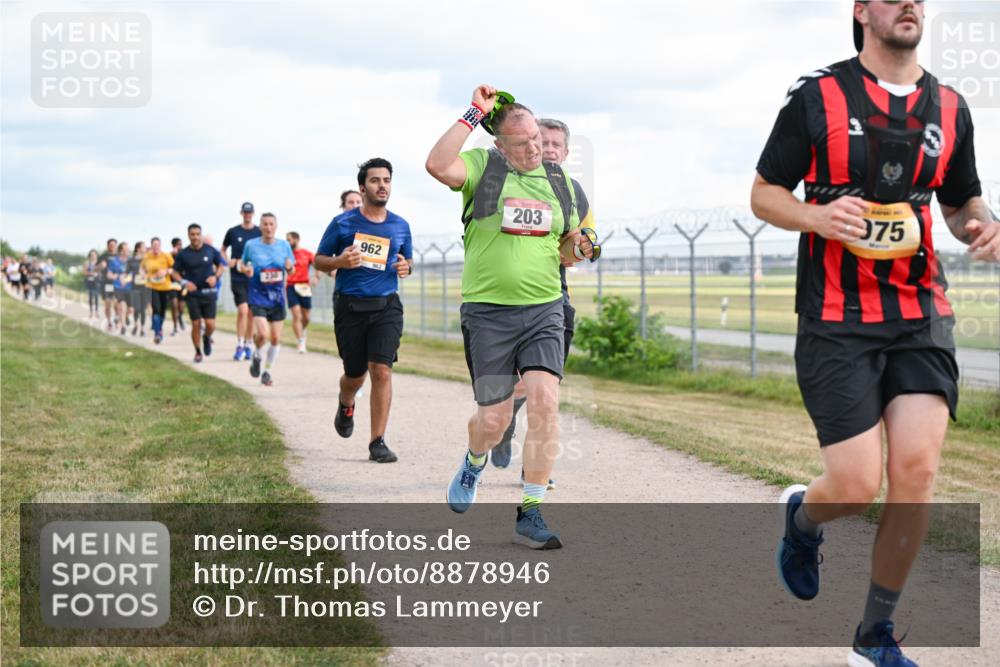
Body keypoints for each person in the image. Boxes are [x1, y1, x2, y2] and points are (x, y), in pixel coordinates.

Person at [750, 3, 999, 665]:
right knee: (857, 484)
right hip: (835, 319)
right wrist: (816, 215)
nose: (909, 3)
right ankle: (804, 519)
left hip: (920, 311)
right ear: (862, 11)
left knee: (916, 471)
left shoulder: (950, 106)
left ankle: (873, 637)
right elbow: (764, 192)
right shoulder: (817, 96)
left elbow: (959, 201)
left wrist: (985, 223)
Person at [426, 86, 594, 549]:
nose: (534, 148)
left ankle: (531, 510)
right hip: (488, 314)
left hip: (544, 308)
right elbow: (439, 165)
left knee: (545, 402)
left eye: (537, 138)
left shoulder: (560, 182)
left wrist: (578, 248)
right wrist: (473, 112)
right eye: (521, 143)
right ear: (499, 145)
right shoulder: (484, 167)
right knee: (494, 418)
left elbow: (567, 246)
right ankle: (474, 461)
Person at [490, 117, 600, 484]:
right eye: (544, 141)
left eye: (557, 144)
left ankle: (531, 469)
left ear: (566, 152)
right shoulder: (510, 181)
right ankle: (503, 426)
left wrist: (585, 247)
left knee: (546, 388)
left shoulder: (572, 190)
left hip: (553, 298)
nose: (550, 149)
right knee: (520, 386)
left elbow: (585, 241)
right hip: (502, 302)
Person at [315, 158, 413, 464]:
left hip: (386, 305)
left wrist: (406, 267)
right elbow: (319, 260)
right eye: (375, 180)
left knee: (381, 370)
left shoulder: (400, 225)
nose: (381, 185)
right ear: (362, 187)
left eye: (386, 180)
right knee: (354, 376)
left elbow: (406, 262)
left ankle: (377, 441)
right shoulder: (342, 223)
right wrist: (340, 262)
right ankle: (346, 402)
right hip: (350, 305)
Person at [239, 213, 295, 386]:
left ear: (276, 226)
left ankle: (267, 371)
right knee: (263, 334)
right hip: (258, 295)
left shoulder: (284, 245)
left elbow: (291, 268)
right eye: (265, 224)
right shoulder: (251, 245)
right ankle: (256, 353)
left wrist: (289, 267)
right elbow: (242, 264)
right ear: (260, 226)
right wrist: (246, 270)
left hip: (278, 298)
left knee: (276, 338)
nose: (268, 227)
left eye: (271, 224)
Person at [171, 224, 225, 363]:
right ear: (188, 235)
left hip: (209, 292)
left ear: (200, 235)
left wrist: (216, 277)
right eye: (192, 234)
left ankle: (206, 337)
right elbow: (174, 272)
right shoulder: (183, 254)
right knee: (196, 324)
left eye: (197, 234)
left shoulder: (210, 250)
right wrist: (184, 283)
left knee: (210, 324)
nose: (195, 237)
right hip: (193, 293)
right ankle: (198, 351)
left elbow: (221, 265)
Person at [223, 202, 262, 361]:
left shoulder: (258, 232)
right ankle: (239, 344)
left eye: (250, 212)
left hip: (253, 277)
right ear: (241, 213)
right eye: (245, 212)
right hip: (237, 276)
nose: (247, 215)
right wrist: (227, 261)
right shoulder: (233, 231)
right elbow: (222, 249)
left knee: (252, 313)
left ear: (253, 213)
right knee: (243, 311)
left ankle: (248, 343)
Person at [285, 231, 318, 353]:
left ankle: (301, 331)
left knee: (306, 317)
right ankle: (301, 341)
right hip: (291, 286)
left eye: (289, 239)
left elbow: (318, 265)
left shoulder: (306, 253)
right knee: (296, 315)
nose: (287, 242)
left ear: (296, 239)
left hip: (304, 286)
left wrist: (316, 277)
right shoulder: (287, 255)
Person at [141, 237, 175, 344]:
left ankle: (159, 328)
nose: (156, 247)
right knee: (156, 309)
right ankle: (157, 333)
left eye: (158, 245)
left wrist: (166, 271)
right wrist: (143, 274)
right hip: (151, 286)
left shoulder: (166, 256)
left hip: (165, 286)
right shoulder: (147, 257)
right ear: (151, 246)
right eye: (154, 245)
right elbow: (142, 268)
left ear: (160, 246)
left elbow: (174, 268)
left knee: (163, 311)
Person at [107, 243, 132, 334]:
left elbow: (134, 274)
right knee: (122, 306)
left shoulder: (131, 261)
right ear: (121, 251)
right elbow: (109, 274)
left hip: (129, 287)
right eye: (125, 250)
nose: (127, 251)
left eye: (128, 249)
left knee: (130, 309)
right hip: (118, 287)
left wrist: (126, 279)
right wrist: (116, 276)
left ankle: (124, 318)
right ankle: (123, 326)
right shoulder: (114, 261)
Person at [127, 243, 148, 336]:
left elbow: (151, 271)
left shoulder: (147, 259)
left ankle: (142, 328)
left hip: (145, 287)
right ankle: (136, 325)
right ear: (138, 248)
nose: (145, 248)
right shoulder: (131, 260)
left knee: (143, 309)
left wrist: (145, 273)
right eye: (144, 247)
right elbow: (127, 272)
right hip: (134, 287)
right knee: (136, 308)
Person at [98, 239, 118, 330]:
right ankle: (109, 322)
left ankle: (117, 318)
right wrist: (100, 266)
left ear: (116, 246)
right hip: (107, 283)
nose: (112, 246)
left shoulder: (120, 256)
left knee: (117, 303)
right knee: (108, 303)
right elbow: (95, 269)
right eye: (110, 245)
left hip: (117, 284)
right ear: (107, 246)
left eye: (114, 245)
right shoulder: (103, 257)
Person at [169, 237, 186, 335]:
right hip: (172, 284)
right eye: (178, 244)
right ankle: (175, 327)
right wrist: (172, 255)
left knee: (181, 306)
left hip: (182, 283)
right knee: (174, 305)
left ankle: (180, 316)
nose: (180, 246)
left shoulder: (184, 254)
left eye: (180, 244)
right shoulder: (170, 255)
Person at [83, 250, 101, 318]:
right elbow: (84, 272)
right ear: (89, 256)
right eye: (92, 255)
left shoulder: (99, 263)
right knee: (91, 296)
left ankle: (96, 312)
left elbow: (101, 271)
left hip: (97, 281)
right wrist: (91, 273)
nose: (93, 256)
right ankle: (91, 312)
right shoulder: (87, 263)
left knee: (96, 296)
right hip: (89, 281)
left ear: (96, 255)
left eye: (94, 255)